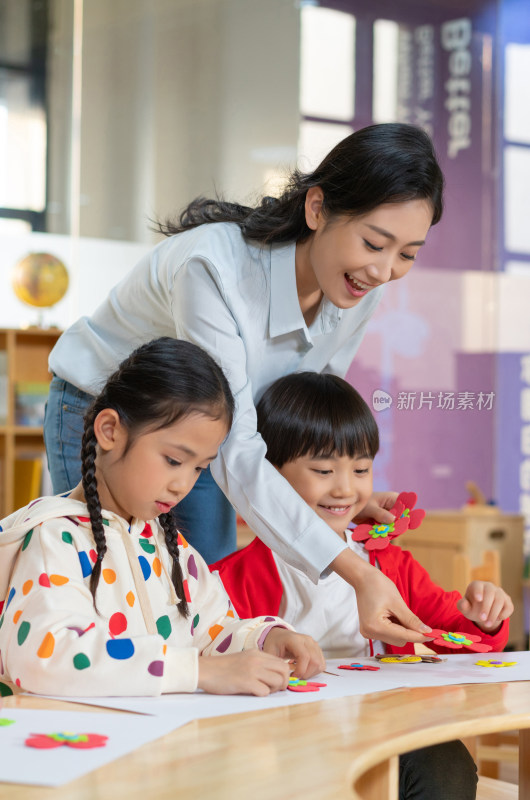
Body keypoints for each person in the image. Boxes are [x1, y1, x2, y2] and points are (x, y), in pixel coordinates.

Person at [44, 122, 444, 648]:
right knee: (115, 591)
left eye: (407, 255)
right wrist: (359, 571)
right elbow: (238, 448)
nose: (384, 270)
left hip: (217, 436)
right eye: (374, 242)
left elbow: (301, 410)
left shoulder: (356, 285)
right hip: (113, 416)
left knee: (205, 597)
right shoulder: (212, 267)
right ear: (317, 208)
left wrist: (334, 493)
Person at [210, 371, 514, 800]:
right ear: (269, 480)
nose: (345, 488)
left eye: (361, 469)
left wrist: (480, 617)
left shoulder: (388, 561)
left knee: (448, 767)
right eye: (322, 470)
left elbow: (453, 633)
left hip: (386, 722)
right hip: (284, 731)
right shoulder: (236, 575)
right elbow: (216, 652)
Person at [0, 339, 324, 698]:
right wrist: (196, 671)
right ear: (110, 431)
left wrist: (266, 638)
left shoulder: (171, 547)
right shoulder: (55, 538)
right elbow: (46, 658)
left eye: (199, 468)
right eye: (173, 460)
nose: (183, 484)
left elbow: (211, 630)